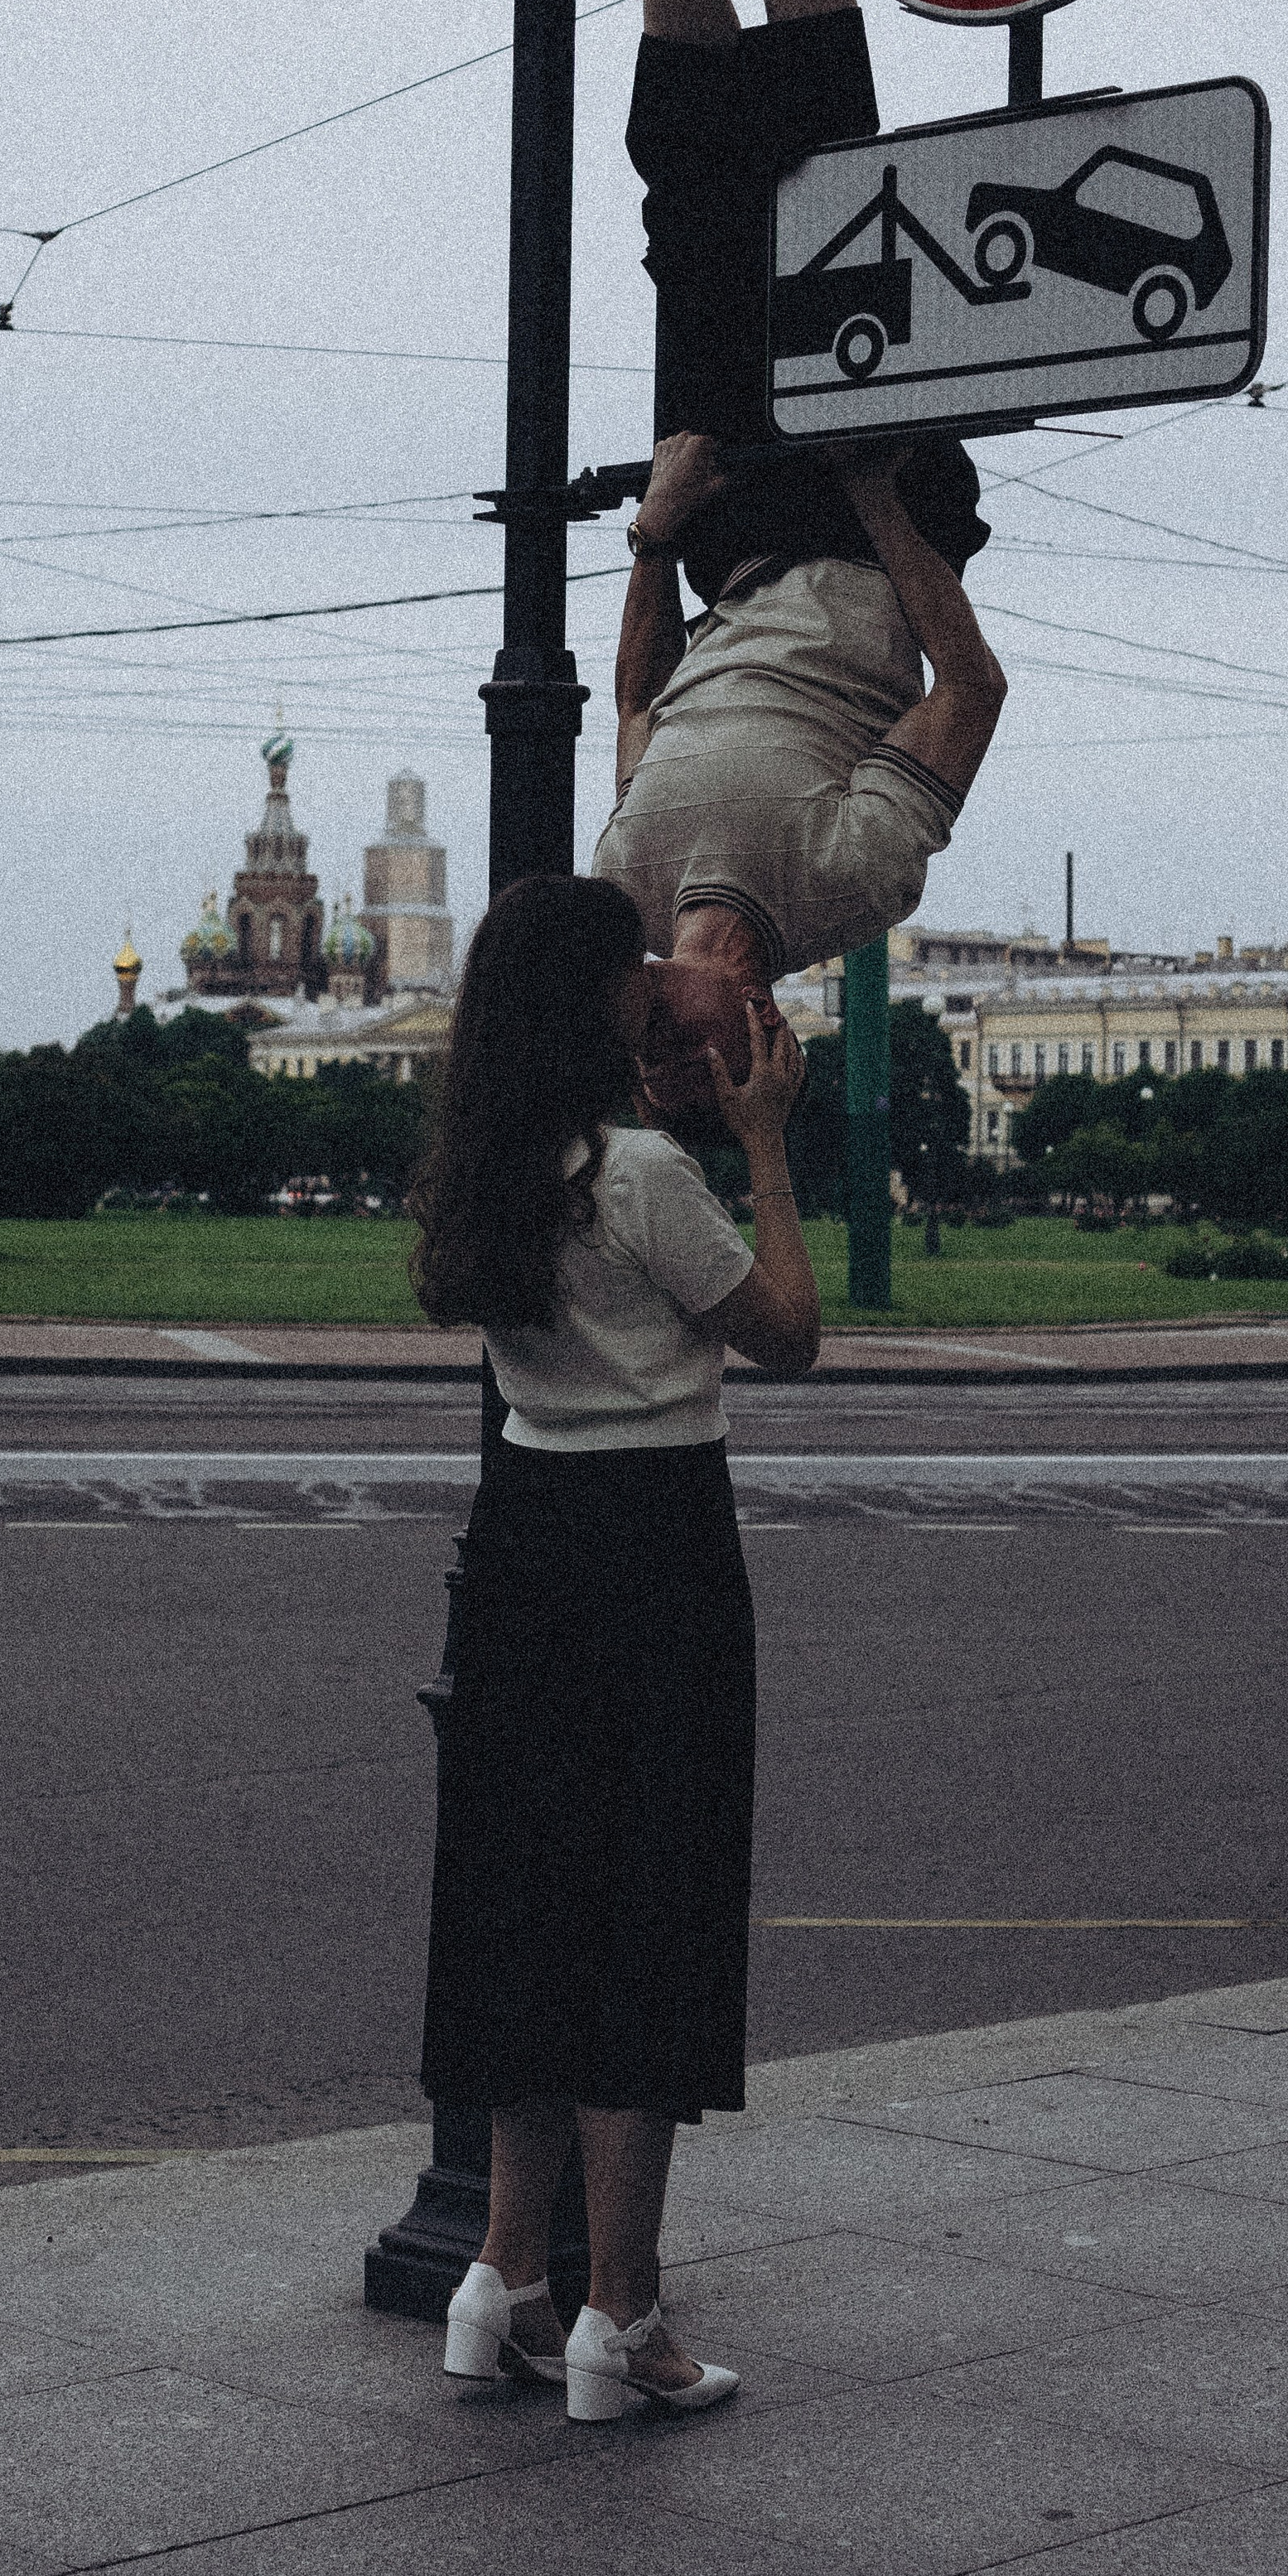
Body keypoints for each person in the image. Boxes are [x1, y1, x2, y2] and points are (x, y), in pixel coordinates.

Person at [514, 0, 1009, 1075]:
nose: (650, 1033)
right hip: (869, 524)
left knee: (680, 174)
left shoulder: (623, 897)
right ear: (754, 1031)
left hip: (721, 534)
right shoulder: (844, 893)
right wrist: (875, 478)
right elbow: (970, 692)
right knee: (818, 158)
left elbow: (639, 706)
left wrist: (653, 541)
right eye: (679, 1056)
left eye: (643, 1049)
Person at [408, 871, 818, 2421]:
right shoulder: (639, 1172)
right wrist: (769, 1140)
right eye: (637, 958)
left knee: (526, 1904)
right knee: (653, 1909)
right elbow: (788, 1326)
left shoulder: (491, 1172)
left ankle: (500, 2282)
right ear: (594, 999)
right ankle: (621, 2316)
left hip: (525, 1545)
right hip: (655, 1545)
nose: (663, 972)